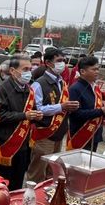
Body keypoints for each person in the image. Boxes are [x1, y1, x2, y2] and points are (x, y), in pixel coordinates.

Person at [25, 49, 79, 183]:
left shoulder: (62, 82)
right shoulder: (38, 84)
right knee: (37, 172)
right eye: (59, 61)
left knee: (52, 171)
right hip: (44, 134)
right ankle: (32, 197)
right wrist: (61, 107)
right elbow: (38, 109)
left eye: (64, 61)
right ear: (48, 63)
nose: (63, 64)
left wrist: (69, 107)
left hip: (59, 133)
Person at [0, 56, 43, 190]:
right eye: (25, 69)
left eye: (30, 69)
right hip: (5, 142)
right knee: (2, 185)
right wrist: (24, 115)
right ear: (13, 71)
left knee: (18, 182)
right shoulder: (1, 88)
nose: (29, 73)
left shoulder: (29, 90)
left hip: (23, 143)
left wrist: (36, 116)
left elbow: (32, 111)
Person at [68, 56, 105, 151]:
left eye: (97, 69)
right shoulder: (75, 89)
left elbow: (98, 109)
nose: (97, 72)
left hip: (95, 133)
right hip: (80, 133)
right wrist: (101, 111)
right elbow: (76, 114)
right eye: (93, 69)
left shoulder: (95, 88)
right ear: (83, 71)